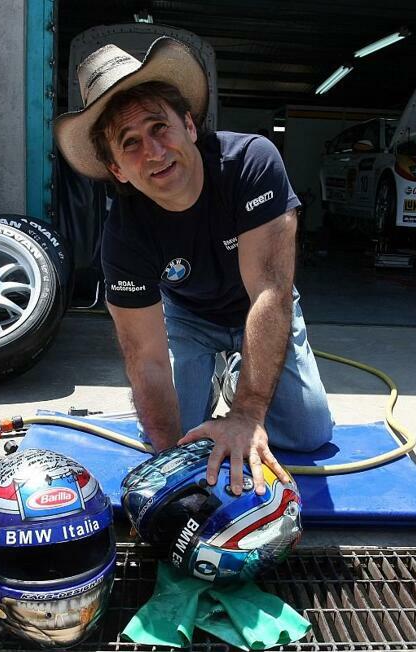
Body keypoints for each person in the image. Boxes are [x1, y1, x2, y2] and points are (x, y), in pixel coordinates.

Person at [54, 37, 333, 496]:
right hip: (188, 315)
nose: (154, 152)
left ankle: (241, 375)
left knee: (308, 433)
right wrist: (169, 462)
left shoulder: (251, 163)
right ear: (117, 169)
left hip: (259, 306)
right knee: (169, 434)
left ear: (188, 124)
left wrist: (245, 414)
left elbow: (270, 292)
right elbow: (144, 356)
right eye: (130, 143)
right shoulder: (123, 236)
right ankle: (222, 373)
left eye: (159, 128)